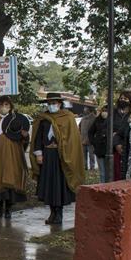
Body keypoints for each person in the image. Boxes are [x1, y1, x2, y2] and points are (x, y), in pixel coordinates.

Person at [30, 93, 85, 225]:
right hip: (47, 155)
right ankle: (52, 213)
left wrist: (66, 150)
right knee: (49, 184)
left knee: (59, 185)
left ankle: (59, 213)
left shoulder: (68, 118)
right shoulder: (42, 119)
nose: (51, 106)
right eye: (49, 103)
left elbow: (72, 139)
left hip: (62, 156)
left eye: (54, 103)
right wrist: (38, 154)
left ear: (60, 104)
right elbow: (37, 138)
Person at [0, 95, 29, 219]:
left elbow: (23, 138)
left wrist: (24, 136)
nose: (4, 107)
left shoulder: (15, 120)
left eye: (7, 105)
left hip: (12, 155)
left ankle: (8, 208)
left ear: (10, 107)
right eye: (1, 105)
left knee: (10, 178)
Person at [112, 91, 131, 180]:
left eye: (125, 98)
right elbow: (106, 127)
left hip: (129, 147)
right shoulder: (113, 112)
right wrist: (116, 144)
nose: (122, 100)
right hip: (116, 147)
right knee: (117, 172)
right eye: (121, 98)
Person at [88, 105, 110, 183]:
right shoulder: (97, 120)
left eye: (106, 111)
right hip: (99, 149)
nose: (104, 112)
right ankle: (103, 187)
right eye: (103, 110)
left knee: (110, 172)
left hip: (110, 149)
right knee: (102, 172)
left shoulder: (112, 120)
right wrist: (94, 142)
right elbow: (90, 132)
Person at [78, 107, 96, 171]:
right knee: (83, 155)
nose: (84, 110)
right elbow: (79, 127)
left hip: (90, 141)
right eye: (84, 109)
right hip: (83, 139)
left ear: (89, 110)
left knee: (91, 155)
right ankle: (84, 167)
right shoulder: (83, 118)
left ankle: (92, 167)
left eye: (86, 109)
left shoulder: (94, 118)